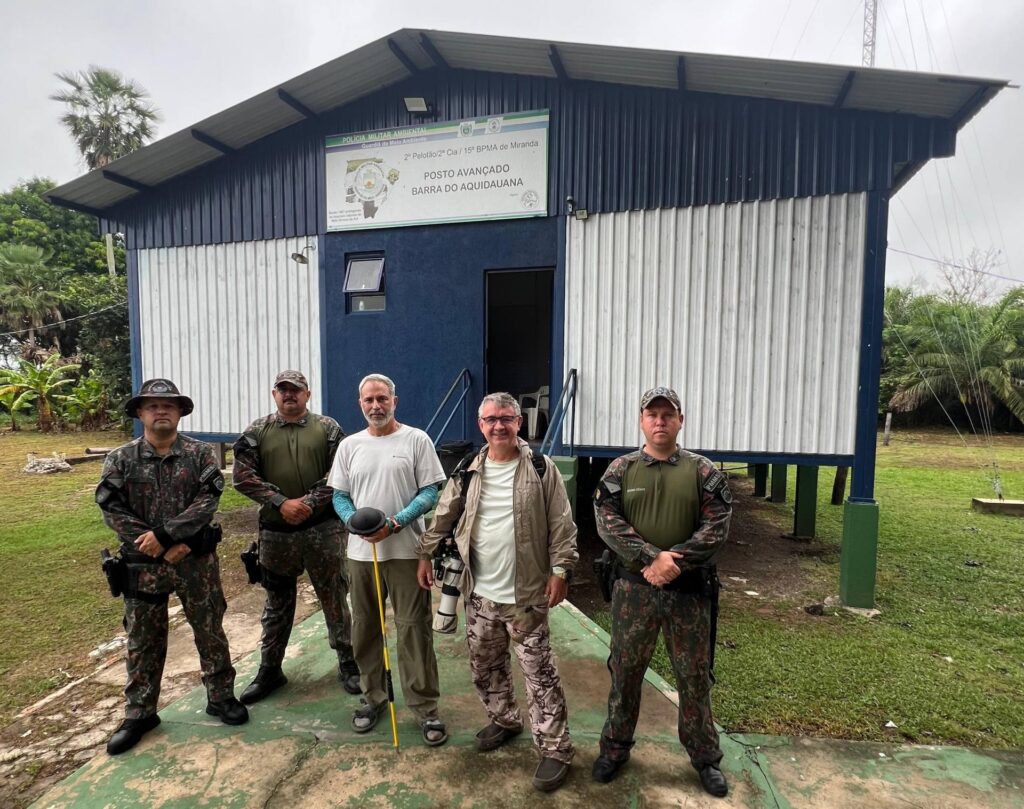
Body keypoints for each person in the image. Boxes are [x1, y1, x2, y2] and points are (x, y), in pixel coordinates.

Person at [419, 392, 579, 792]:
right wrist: (424, 554)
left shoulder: (542, 469)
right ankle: (505, 719)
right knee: (485, 667)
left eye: (506, 418)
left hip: (525, 596)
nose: (498, 426)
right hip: (480, 593)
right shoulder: (469, 469)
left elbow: (562, 526)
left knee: (539, 676)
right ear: (481, 425)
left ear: (518, 423)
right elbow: (444, 514)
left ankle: (556, 749)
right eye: (490, 420)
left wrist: (560, 570)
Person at [592, 387, 732, 798]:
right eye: (652, 414)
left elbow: (718, 526)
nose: (659, 421)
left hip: (688, 594)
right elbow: (606, 520)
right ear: (641, 420)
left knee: (693, 677)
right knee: (625, 672)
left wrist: (677, 561)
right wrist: (651, 557)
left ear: (680, 420)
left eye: (667, 415)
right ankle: (615, 748)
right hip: (634, 592)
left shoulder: (703, 471)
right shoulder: (620, 469)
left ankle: (705, 757)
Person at [96, 379, 247, 755]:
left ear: (180, 412)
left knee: (210, 628)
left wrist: (166, 535)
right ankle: (140, 712)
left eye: (169, 405)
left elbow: (208, 501)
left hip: (195, 561)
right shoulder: (121, 458)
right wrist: (154, 544)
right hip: (142, 565)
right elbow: (111, 508)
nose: (161, 411)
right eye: (152, 406)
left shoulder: (200, 455)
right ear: (140, 413)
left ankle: (220, 695)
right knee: (143, 639)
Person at [327, 373, 448, 745]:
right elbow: (339, 495)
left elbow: (430, 492)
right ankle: (373, 696)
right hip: (361, 554)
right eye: (368, 400)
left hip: (405, 551)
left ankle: (425, 707)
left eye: (382, 398)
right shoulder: (349, 445)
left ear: (395, 400)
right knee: (364, 627)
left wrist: (395, 523)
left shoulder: (415, 440)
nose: (376, 406)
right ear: (360, 404)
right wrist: (352, 521)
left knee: (413, 629)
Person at [231, 370, 360, 703]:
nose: (290, 395)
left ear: (308, 394)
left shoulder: (329, 429)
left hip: (323, 530)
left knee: (335, 597)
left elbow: (340, 474)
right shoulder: (256, 432)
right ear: (274, 393)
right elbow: (242, 477)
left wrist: (308, 503)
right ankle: (270, 670)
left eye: (296, 390)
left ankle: (349, 663)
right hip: (276, 535)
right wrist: (280, 503)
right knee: (276, 605)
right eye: (283, 390)